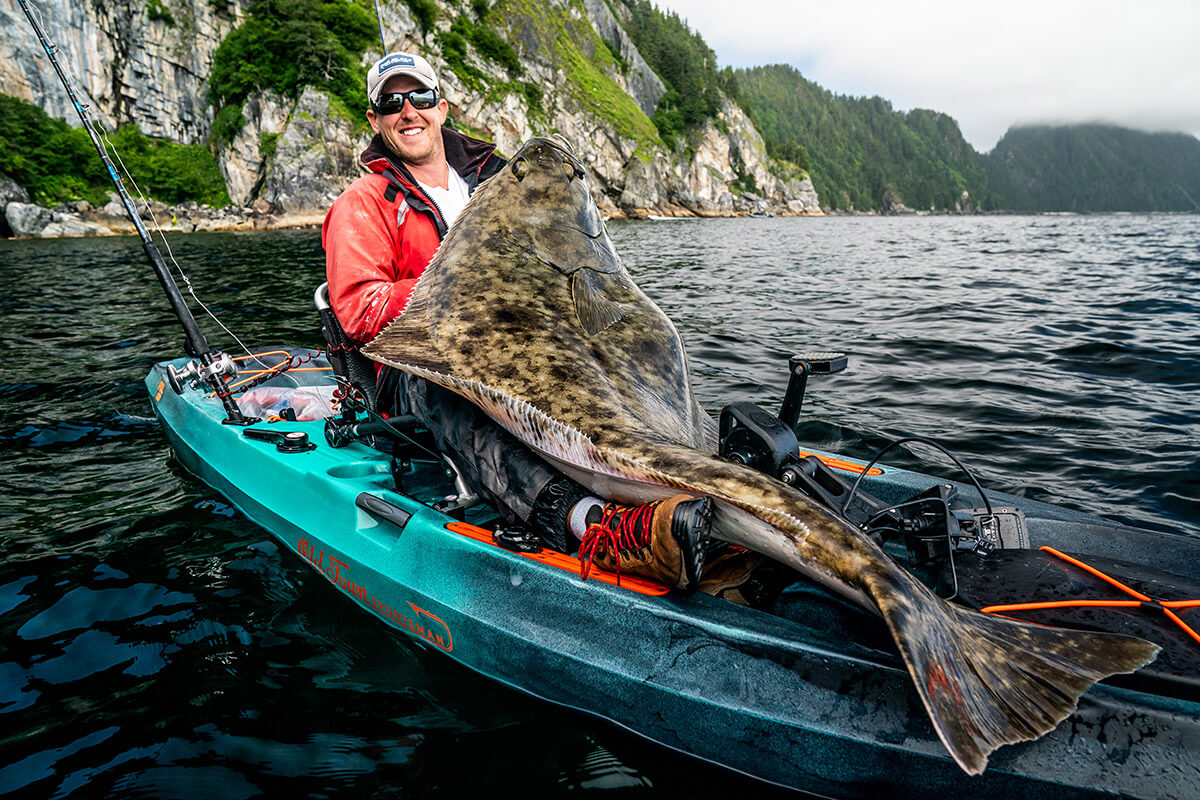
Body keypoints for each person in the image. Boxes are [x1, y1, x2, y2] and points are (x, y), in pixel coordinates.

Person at [322, 52, 712, 590]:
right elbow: (361, 310)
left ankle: (675, 454)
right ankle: (593, 525)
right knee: (450, 389)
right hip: (422, 363)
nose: (408, 110)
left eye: (420, 97)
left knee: (642, 343)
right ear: (375, 119)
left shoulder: (498, 181)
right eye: (391, 102)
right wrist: (465, 287)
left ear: (442, 108)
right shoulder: (362, 204)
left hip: (532, 348)